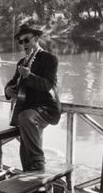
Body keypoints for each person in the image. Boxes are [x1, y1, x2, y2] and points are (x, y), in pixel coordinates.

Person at [5, 24, 61, 171]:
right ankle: (30, 180)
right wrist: (8, 90)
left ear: (36, 39)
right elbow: (12, 82)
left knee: (25, 118)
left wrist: (29, 75)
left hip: (45, 108)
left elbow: (47, 85)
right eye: (21, 42)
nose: (23, 44)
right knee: (25, 143)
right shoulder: (21, 63)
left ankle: (38, 163)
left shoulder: (50, 59)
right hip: (28, 109)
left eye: (26, 40)